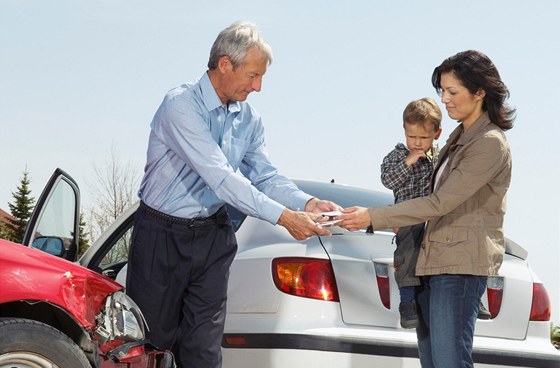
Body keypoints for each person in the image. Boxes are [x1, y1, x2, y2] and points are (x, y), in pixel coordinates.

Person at [126, 21, 339, 368]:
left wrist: (306, 202)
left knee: (204, 351)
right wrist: (285, 218)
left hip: (212, 237)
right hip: (160, 236)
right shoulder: (180, 106)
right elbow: (221, 177)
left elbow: (265, 175)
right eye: (253, 76)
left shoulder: (250, 120)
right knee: (150, 346)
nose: (258, 87)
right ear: (225, 64)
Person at [336, 50, 515, 367]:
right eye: (442, 91)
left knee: (449, 362)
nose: (444, 100)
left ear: (479, 92)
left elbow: (439, 202)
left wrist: (372, 216)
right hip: (431, 265)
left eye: (452, 91)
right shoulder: (457, 139)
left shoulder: (488, 142)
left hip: (459, 268)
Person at [380, 97, 442, 329]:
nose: (417, 143)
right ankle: (407, 304)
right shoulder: (396, 156)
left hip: (433, 218)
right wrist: (409, 161)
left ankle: (472, 301)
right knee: (406, 255)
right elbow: (388, 180)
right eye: (412, 137)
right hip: (407, 217)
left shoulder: (439, 157)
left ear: (436, 134)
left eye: (423, 138)